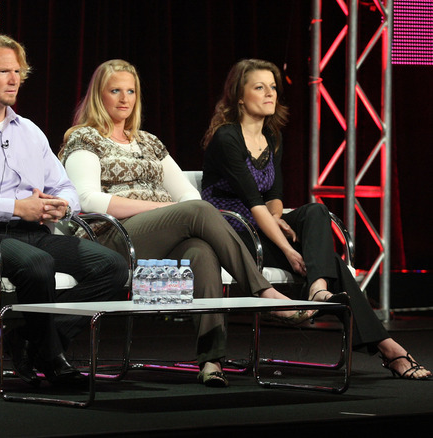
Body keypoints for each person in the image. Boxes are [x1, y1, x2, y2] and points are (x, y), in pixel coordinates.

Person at [58, 59, 312, 388]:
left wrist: (169, 210)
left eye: (131, 91)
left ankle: (211, 360)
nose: (124, 98)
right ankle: (262, 291)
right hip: (110, 242)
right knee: (199, 211)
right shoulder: (85, 140)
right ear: (98, 96)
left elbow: (187, 194)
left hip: (156, 242)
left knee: (201, 251)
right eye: (115, 91)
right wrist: (157, 207)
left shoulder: (149, 142)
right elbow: (88, 201)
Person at [201, 58, 430, 380]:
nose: (270, 94)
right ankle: (389, 348)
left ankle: (319, 287)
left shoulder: (271, 137)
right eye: (259, 87)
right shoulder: (227, 137)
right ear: (239, 96)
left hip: (263, 223)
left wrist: (278, 218)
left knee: (316, 210)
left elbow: (274, 196)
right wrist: (290, 249)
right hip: (233, 228)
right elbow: (253, 203)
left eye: (273, 87)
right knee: (333, 262)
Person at [0, 34, 128, 387]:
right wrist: (16, 207)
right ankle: (53, 359)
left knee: (112, 265)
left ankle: (30, 335)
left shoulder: (30, 131)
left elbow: (66, 187)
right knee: (38, 264)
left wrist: (61, 205)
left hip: (36, 232)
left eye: (17, 72)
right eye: (3, 71)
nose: (14, 80)